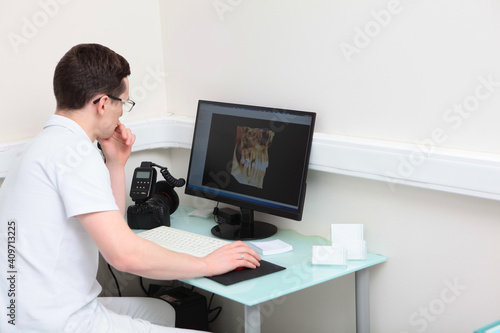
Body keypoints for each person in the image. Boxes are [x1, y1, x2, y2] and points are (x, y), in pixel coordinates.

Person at [0, 43, 261, 333]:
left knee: (165, 311)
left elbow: (108, 227)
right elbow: (122, 256)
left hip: (23, 313)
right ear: (101, 103)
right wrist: (207, 263)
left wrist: (115, 163)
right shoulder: (74, 154)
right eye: (122, 102)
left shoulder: (45, 146)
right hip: (60, 323)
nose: (122, 113)